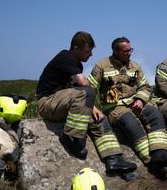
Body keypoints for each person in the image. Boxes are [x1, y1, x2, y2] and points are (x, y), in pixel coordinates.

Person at [36, 31, 137, 176]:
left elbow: (74, 90)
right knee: (87, 91)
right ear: (76, 48)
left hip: (63, 102)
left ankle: (114, 159)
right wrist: (89, 100)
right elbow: (83, 85)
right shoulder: (64, 57)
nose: (90, 55)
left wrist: (94, 108)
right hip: (47, 102)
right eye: (88, 51)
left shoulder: (78, 65)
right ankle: (71, 137)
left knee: (99, 118)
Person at [88, 37, 167, 179]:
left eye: (130, 50)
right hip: (115, 107)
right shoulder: (101, 66)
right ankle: (153, 163)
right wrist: (92, 107)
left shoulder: (135, 66)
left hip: (136, 103)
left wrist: (140, 99)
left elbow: (145, 86)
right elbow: (89, 89)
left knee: (154, 115)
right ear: (116, 51)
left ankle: (161, 153)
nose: (129, 53)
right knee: (132, 124)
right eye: (126, 51)